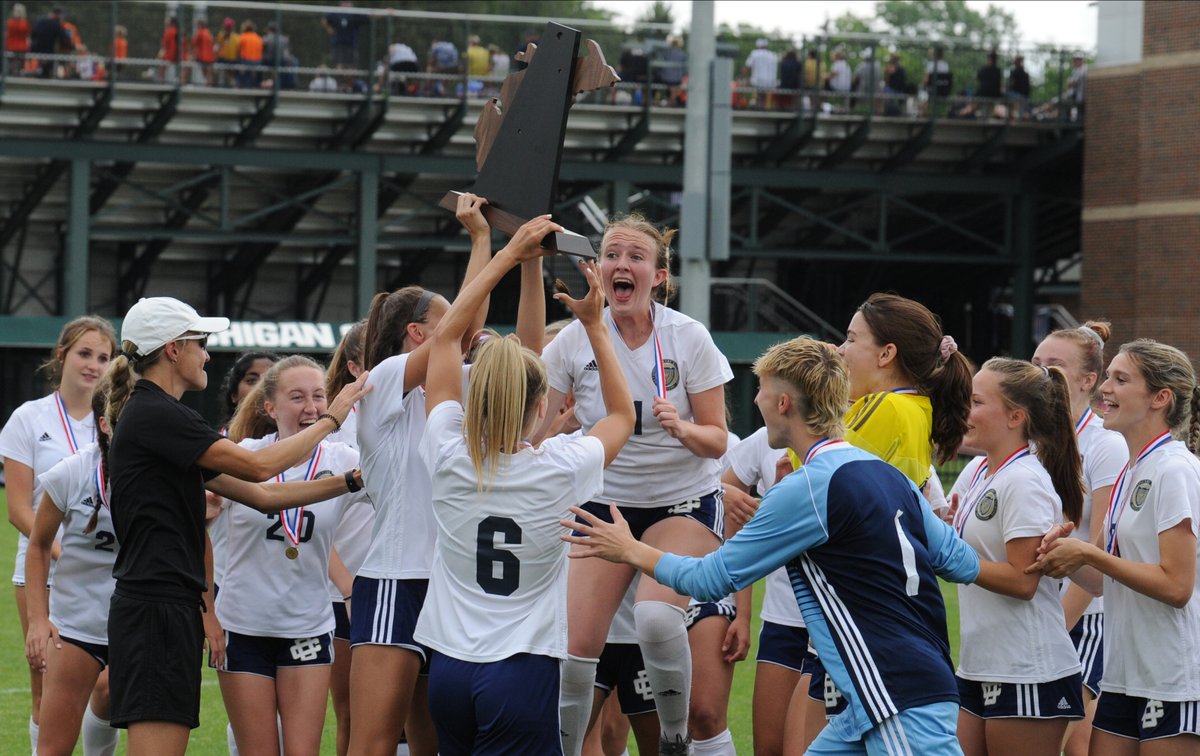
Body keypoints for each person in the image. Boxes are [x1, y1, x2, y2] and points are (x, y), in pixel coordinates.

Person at [565, 336, 983, 754]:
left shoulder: (807, 487)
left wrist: (630, 548)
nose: (757, 401)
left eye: (762, 390)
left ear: (784, 403)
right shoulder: (890, 476)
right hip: (890, 689)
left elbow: (710, 579)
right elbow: (959, 562)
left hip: (892, 692)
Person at [101, 296, 369, 756]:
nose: (206, 354)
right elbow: (263, 469)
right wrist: (332, 417)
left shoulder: (158, 417)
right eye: (199, 343)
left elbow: (263, 496)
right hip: (156, 607)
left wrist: (348, 481)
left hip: (166, 606)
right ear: (172, 349)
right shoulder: (159, 414)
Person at [417, 210, 634, 753]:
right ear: (541, 407)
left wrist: (507, 256)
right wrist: (593, 326)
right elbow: (622, 416)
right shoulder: (558, 467)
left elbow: (445, 340)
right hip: (520, 668)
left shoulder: (446, 450)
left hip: (447, 669)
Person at [539, 214, 734, 754]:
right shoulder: (573, 341)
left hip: (683, 503)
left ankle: (674, 740)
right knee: (575, 649)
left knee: (653, 617)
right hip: (605, 504)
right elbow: (536, 425)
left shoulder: (687, 336)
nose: (622, 264)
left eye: (636, 257)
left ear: (658, 276)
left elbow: (719, 440)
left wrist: (684, 427)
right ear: (597, 269)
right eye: (612, 254)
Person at [346, 193, 499, 756]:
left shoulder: (449, 387)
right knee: (375, 743)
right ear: (417, 333)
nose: (462, 330)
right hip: (396, 579)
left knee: (438, 743)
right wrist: (484, 243)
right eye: (443, 322)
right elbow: (463, 325)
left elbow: (470, 327)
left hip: (448, 584)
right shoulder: (385, 379)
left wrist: (498, 250)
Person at [796, 293, 972, 748]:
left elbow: (815, 484)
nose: (838, 349)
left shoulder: (885, 409)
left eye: (852, 338)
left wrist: (793, 443)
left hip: (864, 615)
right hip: (885, 605)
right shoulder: (913, 408)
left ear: (886, 354)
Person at [1032, 339, 1200, 751]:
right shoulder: (1133, 469)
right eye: (1108, 376)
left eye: (1121, 379)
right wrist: (1066, 554)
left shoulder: (1174, 469)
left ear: (1161, 398)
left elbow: (1177, 587)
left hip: (1175, 675)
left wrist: (1090, 552)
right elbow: (1102, 583)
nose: (1105, 388)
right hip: (1125, 671)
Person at [216, 356, 370, 756]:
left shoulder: (345, 461)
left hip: (307, 625)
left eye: (319, 397)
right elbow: (201, 522)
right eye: (297, 397)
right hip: (243, 625)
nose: (311, 408)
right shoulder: (243, 455)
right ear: (270, 408)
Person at [949, 358, 1085, 755]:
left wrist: (954, 558)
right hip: (979, 662)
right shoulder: (979, 472)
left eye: (976, 402)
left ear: (1015, 417)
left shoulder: (1024, 480)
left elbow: (1023, 581)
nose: (965, 411)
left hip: (1026, 668)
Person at [1, 315, 116, 754]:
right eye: (85, 353)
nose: (94, 365)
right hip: (42, 568)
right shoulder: (28, 418)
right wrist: (62, 550)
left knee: (108, 688)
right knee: (46, 694)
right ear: (62, 354)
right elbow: (17, 508)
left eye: (104, 357)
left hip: (105, 573)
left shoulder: (114, 418)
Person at [1032, 323, 1127, 756]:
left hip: (1085, 618)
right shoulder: (1029, 440)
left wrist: (1052, 629)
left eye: (1053, 367)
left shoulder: (1106, 445)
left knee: (1061, 740)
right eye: (1034, 365)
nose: (1040, 375)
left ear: (1089, 381)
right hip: (1033, 611)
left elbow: (1100, 551)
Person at [24, 378, 121, 756]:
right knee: (52, 748)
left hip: (139, 621)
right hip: (76, 625)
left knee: (110, 694)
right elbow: (38, 546)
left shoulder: (163, 473)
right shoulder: (71, 472)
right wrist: (37, 618)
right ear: (105, 424)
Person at [723, 426, 814, 756]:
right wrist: (742, 613)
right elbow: (722, 498)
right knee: (770, 748)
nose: (759, 397)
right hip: (783, 621)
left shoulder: (861, 430)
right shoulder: (767, 437)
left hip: (841, 625)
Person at [324, 321, 370, 756]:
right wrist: (348, 587)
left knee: (416, 714)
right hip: (347, 592)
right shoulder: (336, 430)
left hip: (413, 584)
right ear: (355, 367)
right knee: (354, 714)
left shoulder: (433, 410)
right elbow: (312, 521)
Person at [28, 4, 72, 79]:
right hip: (48, 51)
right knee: (48, 69)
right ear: (58, 14)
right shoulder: (56, 24)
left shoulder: (41, 21)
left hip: (36, 49)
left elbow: (33, 34)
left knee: (42, 67)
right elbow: (63, 39)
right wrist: (71, 46)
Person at [322, 1, 362, 72]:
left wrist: (384, 12)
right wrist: (329, 28)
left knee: (351, 69)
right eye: (344, 2)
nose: (347, 4)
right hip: (338, 45)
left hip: (351, 45)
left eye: (348, 2)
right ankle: (339, 82)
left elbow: (369, 15)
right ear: (340, 4)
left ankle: (349, 82)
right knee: (339, 67)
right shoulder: (335, 13)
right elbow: (324, 20)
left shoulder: (355, 14)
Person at [743, 38, 778, 110]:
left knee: (757, 95)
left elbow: (747, 67)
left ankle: (757, 106)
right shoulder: (773, 55)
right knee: (765, 97)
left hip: (757, 81)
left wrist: (743, 77)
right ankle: (765, 109)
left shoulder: (754, 53)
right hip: (770, 82)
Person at [236, 20, 262, 89]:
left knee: (241, 72)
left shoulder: (243, 37)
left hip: (245, 60)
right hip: (256, 62)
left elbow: (238, 49)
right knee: (253, 75)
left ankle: (240, 87)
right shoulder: (258, 38)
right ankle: (253, 87)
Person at [214, 17, 239, 88]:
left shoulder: (236, 37)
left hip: (232, 59)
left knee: (231, 75)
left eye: (229, 27)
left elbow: (237, 50)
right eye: (226, 27)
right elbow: (217, 47)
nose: (227, 29)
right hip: (222, 58)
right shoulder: (221, 35)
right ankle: (215, 85)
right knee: (215, 70)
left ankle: (234, 86)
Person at [6, 3, 30, 72]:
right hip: (22, 47)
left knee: (11, 64)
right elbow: (26, 34)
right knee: (20, 66)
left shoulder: (9, 22)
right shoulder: (24, 23)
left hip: (10, 46)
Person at [191, 18, 214, 86]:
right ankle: (209, 85)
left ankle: (208, 85)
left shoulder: (200, 32)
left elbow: (194, 43)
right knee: (209, 72)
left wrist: (192, 54)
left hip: (203, 56)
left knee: (205, 71)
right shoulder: (208, 32)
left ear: (200, 25)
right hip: (210, 56)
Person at [1065, 54, 1087, 122]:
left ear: (1081, 60)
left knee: (1080, 115)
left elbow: (1071, 83)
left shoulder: (1083, 69)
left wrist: (1069, 84)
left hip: (1082, 96)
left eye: (1078, 60)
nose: (1075, 62)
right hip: (1078, 96)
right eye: (1075, 60)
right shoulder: (1076, 70)